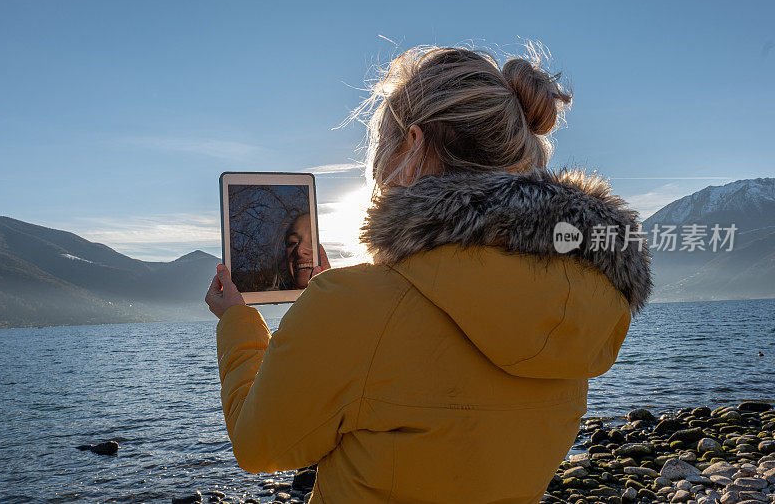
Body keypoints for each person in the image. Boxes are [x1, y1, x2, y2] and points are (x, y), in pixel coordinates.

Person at [205, 45, 652, 504]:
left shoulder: (352, 305)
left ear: (414, 146)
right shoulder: (573, 303)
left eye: (382, 145)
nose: (377, 170)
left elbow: (257, 444)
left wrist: (238, 321)